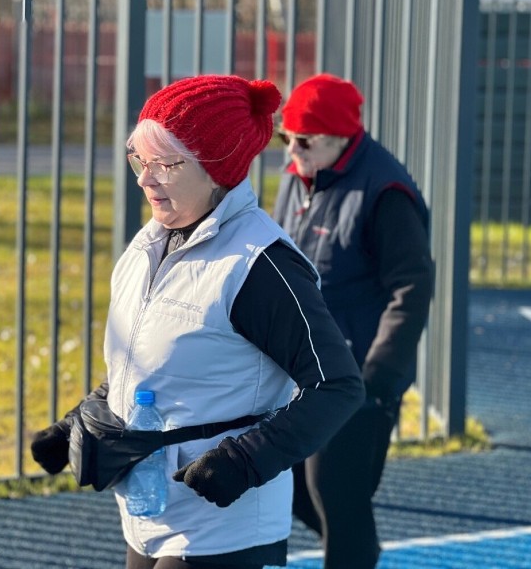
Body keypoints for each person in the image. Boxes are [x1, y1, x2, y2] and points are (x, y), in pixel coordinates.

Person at [30, 74, 365, 569]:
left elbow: (338, 386)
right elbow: (154, 363)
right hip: (148, 512)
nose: (144, 178)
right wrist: (77, 420)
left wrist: (246, 461)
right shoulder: (151, 242)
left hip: (222, 528)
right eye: (138, 159)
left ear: (216, 168)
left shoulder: (260, 266)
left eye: (164, 163)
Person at [272, 73, 435, 569]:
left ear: (341, 138)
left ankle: (355, 550)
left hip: (355, 375)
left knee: (335, 492)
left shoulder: (384, 191)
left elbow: (412, 286)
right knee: (289, 484)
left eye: (305, 141)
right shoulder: (300, 173)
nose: (292, 150)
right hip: (303, 370)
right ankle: (360, 548)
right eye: (287, 138)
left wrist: (375, 380)